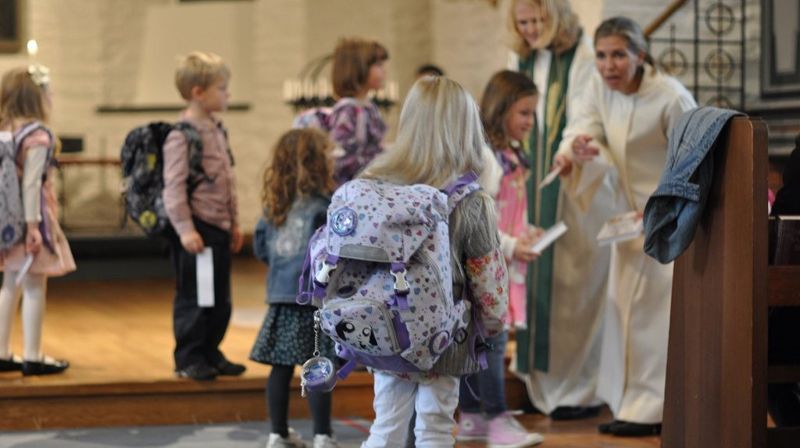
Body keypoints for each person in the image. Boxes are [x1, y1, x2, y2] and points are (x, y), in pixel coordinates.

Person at [554, 17, 696, 436]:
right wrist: (573, 147)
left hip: (663, 222)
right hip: (624, 221)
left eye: (618, 54)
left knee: (655, 321)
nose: (608, 65)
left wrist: (660, 209)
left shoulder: (671, 98)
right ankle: (626, 404)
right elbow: (584, 124)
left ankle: (654, 409)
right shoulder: (600, 88)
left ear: (640, 54)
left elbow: (691, 162)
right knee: (622, 316)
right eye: (601, 55)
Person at [358, 76, 509, 448]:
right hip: (445, 334)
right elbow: (487, 281)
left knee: (386, 425)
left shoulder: (376, 185)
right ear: (466, 129)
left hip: (387, 326)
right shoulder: (472, 201)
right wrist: (492, 324)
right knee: (435, 427)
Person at [507, 0, 617, 421]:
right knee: (534, 283)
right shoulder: (520, 56)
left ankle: (578, 389)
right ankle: (542, 387)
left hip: (573, 188)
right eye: (523, 22)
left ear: (557, 17)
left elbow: (588, 116)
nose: (532, 29)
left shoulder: (586, 56)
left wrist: (572, 147)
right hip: (529, 187)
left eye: (538, 20)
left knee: (574, 288)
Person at [455, 69, 544, 447]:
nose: (530, 121)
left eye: (532, 113)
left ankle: (473, 417)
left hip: (501, 257)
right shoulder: (485, 154)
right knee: (488, 339)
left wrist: (525, 232)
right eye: (524, 112)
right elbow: (478, 213)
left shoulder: (512, 152)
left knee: (482, 338)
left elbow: (510, 206)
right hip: (485, 257)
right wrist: (507, 244)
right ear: (502, 108)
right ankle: (495, 418)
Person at [251, 128, 339, 448]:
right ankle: (322, 435)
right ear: (317, 164)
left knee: (280, 367)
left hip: (279, 297)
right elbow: (333, 250)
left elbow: (260, 246)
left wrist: (279, 270)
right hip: (312, 299)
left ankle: (278, 433)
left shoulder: (275, 205)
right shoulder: (323, 206)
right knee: (317, 366)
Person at [163, 51, 245, 381]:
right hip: (197, 229)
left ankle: (211, 350)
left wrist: (235, 222)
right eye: (222, 88)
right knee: (196, 296)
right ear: (199, 92)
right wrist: (184, 229)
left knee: (219, 298)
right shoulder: (181, 135)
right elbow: (173, 187)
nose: (227, 95)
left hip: (219, 228)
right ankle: (189, 356)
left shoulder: (217, 130)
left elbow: (227, 181)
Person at [0, 65, 74, 376]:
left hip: (6, 222)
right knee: (34, 285)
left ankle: (2, 351)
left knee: (8, 285)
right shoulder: (38, 136)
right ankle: (33, 354)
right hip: (31, 223)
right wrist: (33, 227)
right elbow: (32, 185)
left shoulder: (6, 131)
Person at [328, 37, 388, 185]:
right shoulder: (347, 110)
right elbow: (341, 156)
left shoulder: (370, 108)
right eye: (378, 65)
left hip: (371, 183)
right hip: (353, 188)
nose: (384, 71)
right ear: (358, 68)